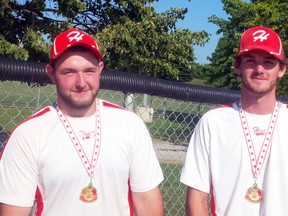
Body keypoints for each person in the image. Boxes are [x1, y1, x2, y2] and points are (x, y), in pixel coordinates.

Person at [0, 28, 164, 216]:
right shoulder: (28, 134)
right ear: (51, 73)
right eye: (69, 72)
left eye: (89, 71)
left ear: (100, 69)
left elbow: (147, 201)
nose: (81, 82)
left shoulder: (130, 124)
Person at [180, 26, 288, 215]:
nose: (259, 69)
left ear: (282, 69)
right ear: (238, 66)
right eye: (251, 61)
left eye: (269, 62)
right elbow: (196, 197)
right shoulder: (213, 122)